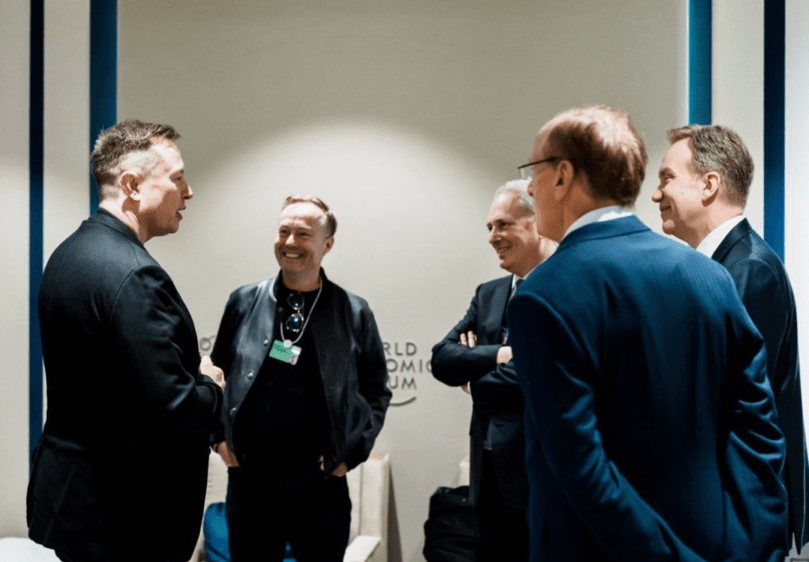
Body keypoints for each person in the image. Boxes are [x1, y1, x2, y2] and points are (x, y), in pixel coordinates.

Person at [508, 105, 787, 562]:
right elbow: (759, 434)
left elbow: (582, 470)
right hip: (717, 545)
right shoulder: (709, 277)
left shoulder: (544, 295)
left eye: (532, 170)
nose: (529, 187)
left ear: (562, 176)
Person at [27, 120, 226, 562]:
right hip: (126, 515)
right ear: (132, 185)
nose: (188, 191)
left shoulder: (69, 254)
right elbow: (173, 408)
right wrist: (210, 384)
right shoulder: (136, 274)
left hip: (78, 502)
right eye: (177, 178)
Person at [653, 124, 809, 553]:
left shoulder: (748, 271)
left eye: (666, 177)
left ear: (709, 185)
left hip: (738, 509)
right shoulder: (725, 267)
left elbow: (707, 396)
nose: (655, 193)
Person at [210, 195, 391, 562]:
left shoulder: (354, 311)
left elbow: (376, 392)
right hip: (251, 482)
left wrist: (352, 455)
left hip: (320, 485)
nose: (290, 243)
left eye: (303, 234)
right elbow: (215, 376)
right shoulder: (243, 301)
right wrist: (217, 441)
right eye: (283, 231)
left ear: (327, 244)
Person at [431, 179, 555, 562]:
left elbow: (531, 377)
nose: (493, 237)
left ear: (536, 222)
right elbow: (441, 358)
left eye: (503, 225)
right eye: (489, 227)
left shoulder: (561, 287)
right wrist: (500, 353)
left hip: (540, 478)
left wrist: (473, 376)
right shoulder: (489, 293)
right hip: (487, 480)